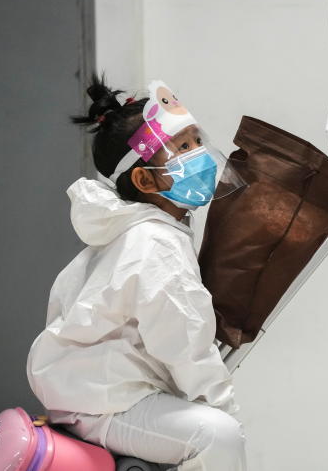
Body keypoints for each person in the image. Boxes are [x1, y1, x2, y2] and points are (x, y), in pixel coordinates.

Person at [27, 76, 247, 471]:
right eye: (182, 148)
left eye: (197, 140)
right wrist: (224, 407)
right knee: (218, 433)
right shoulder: (156, 243)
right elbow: (184, 343)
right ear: (145, 180)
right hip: (104, 403)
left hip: (90, 394)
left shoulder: (131, 230)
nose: (198, 154)